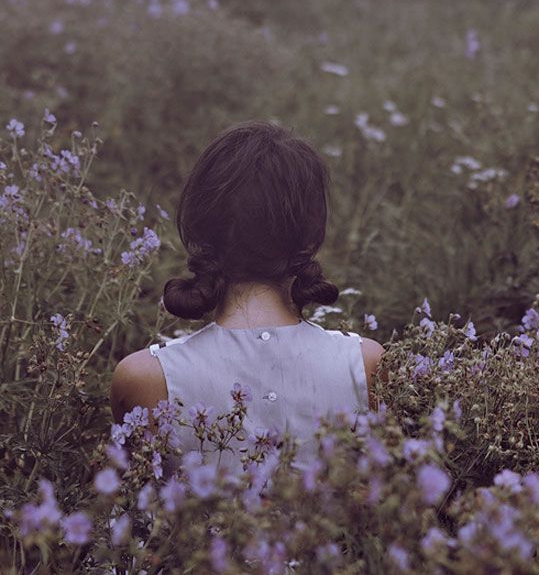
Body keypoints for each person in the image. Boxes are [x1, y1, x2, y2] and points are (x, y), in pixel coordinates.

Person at [110, 120, 386, 480]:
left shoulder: (144, 377)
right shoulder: (366, 366)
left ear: (197, 230)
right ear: (313, 236)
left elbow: (138, 516)